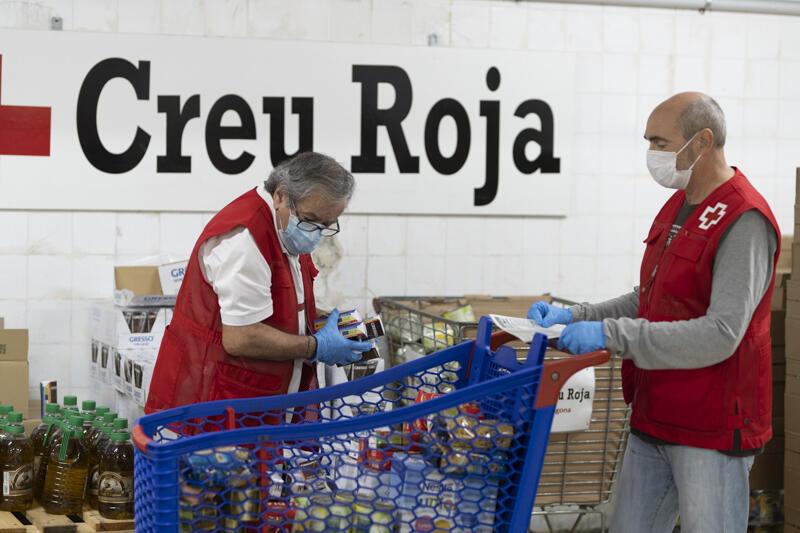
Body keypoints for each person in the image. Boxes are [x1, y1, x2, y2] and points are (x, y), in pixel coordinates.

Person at [528, 92, 780, 533]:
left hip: (710, 427)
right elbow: (650, 296)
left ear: (702, 142)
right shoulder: (679, 204)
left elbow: (720, 333)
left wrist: (612, 334)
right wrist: (575, 316)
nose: (653, 155)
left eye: (661, 143)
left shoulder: (744, 219)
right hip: (655, 413)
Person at [146, 152, 372, 412]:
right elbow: (241, 336)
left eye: (326, 224)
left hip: (259, 400)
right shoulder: (245, 240)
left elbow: (280, 302)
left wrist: (329, 321)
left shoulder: (287, 226)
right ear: (281, 196)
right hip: (211, 405)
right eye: (311, 221)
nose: (317, 233)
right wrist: (315, 346)